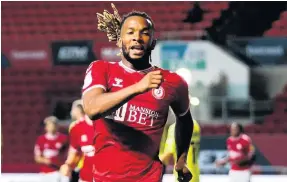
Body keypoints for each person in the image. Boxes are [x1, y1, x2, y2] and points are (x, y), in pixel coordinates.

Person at [81, 3, 194, 182]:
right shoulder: (101, 69)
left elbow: (185, 119)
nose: (137, 38)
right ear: (119, 41)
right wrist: (138, 87)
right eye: (130, 32)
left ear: (153, 42)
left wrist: (181, 160)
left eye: (144, 32)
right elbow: (92, 109)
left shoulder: (173, 82)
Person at [60, 100, 94, 182]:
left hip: (107, 175)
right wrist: (67, 165)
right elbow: (74, 151)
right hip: (86, 174)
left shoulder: (108, 124)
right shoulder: (76, 127)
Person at [160, 115, 201, 182]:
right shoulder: (195, 125)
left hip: (183, 175)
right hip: (195, 175)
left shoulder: (176, 128)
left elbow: (168, 154)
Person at [34, 116, 68, 182]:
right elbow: (37, 158)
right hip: (46, 173)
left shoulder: (64, 138)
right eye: (49, 125)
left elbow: (69, 153)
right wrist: (45, 160)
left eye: (53, 124)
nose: (52, 127)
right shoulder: (41, 140)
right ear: (46, 127)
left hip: (60, 171)